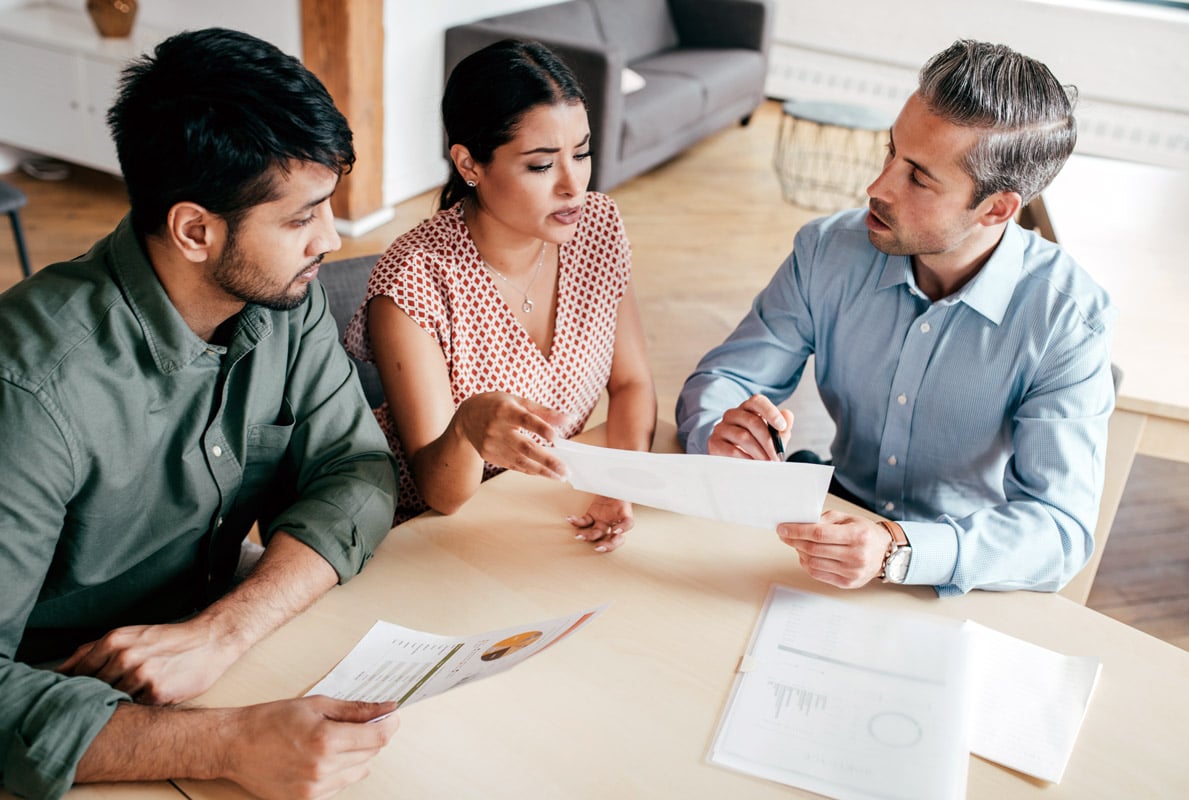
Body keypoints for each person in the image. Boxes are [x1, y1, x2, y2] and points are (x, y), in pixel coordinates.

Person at [0, 28, 402, 799]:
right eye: (300, 218)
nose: (331, 239)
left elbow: (353, 470)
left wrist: (223, 631)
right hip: (66, 725)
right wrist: (224, 744)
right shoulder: (30, 390)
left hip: (210, 651)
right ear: (194, 229)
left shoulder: (282, 296)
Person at [676, 40, 1115, 597]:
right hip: (822, 530)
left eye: (919, 178)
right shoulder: (826, 250)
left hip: (959, 572)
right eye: (891, 153)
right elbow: (725, 380)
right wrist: (721, 431)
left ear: (997, 208)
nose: (877, 188)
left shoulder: (1067, 320)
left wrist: (899, 549)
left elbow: (1058, 528)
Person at [346, 40, 656, 550]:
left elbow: (633, 383)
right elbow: (439, 493)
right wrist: (468, 429)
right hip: (426, 533)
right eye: (540, 166)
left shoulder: (597, 226)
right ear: (469, 164)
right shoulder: (412, 278)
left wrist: (616, 485)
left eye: (581, 154)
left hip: (542, 506)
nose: (573, 185)